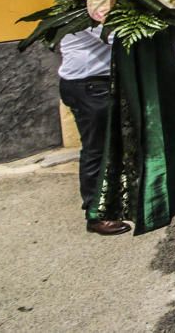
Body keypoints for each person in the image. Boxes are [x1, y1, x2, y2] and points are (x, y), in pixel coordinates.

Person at [57, 26, 131, 235]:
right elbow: (114, 35)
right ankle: (96, 215)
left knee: (111, 146)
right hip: (90, 85)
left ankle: (113, 204)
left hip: (97, 82)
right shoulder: (87, 2)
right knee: (97, 149)